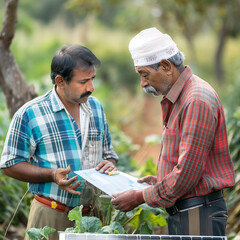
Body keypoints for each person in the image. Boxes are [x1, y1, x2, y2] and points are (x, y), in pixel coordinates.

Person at [111, 27, 235, 236]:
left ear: (166, 66)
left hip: (198, 213)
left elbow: (187, 172)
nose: (143, 83)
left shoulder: (195, 100)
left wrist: (140, 197)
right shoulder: (181, 96)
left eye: (145, 74)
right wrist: (161, 180)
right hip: (189, 210)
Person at [0, 45, 118, 240]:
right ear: (60, 81)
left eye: (92, 79)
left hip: (93, 218)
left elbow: (109, 154)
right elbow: (10, 165)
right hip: (51, 215)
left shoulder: (95, 107)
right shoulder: (31, 114)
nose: (91, 87)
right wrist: (52, 174)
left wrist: (110, 163)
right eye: (83, 81)